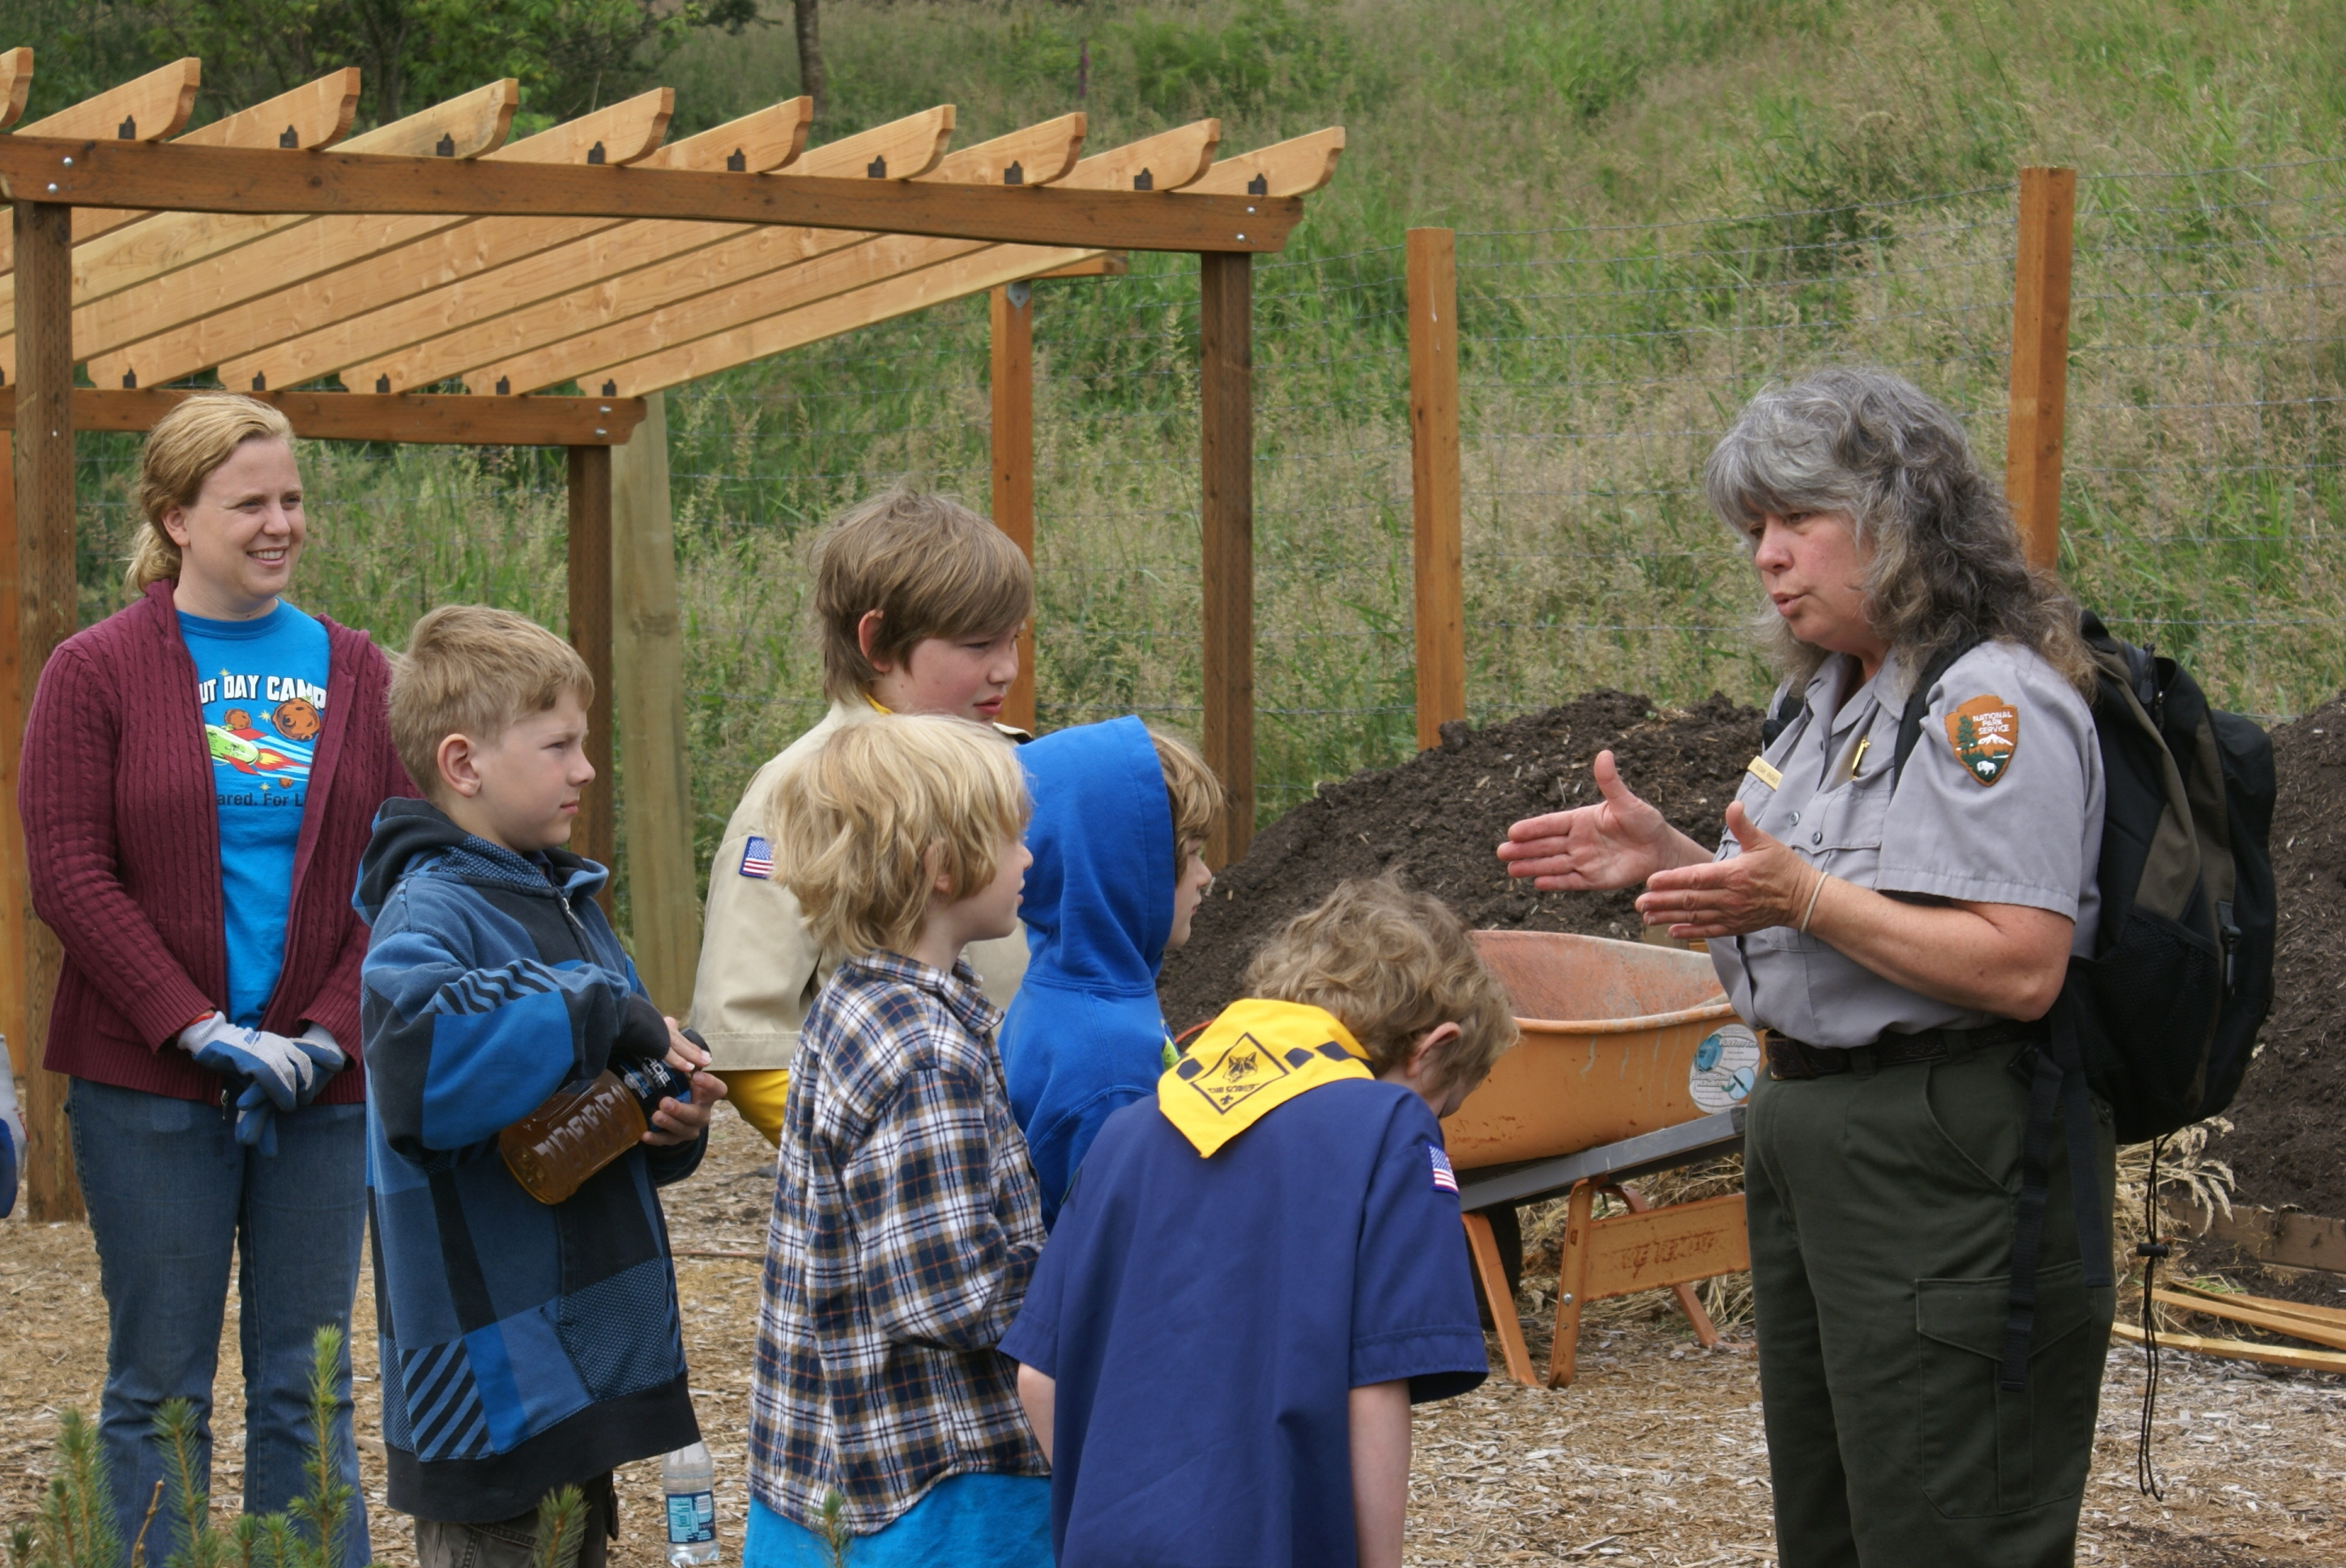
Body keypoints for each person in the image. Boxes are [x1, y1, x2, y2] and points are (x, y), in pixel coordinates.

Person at [1498, 367, 2111, 1568]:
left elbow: (2021, 966)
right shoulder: (1826, 699)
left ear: (1898, 518)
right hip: (1810, 1126)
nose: (1769, 558)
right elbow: (1797, 898)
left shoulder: (1990, 703)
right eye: (1754, 531)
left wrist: (1807, 897)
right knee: (1835, 1516)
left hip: (1942, 1145)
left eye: (1795, 522)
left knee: (1944, 1518)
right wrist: (1671, 857)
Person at [19, 394, 412, 1565]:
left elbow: (397, 874)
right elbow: (70, 876)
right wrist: (193, 1026)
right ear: (175, 517)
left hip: (321, 1088)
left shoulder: (360, 671)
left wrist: (331, 1035)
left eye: (291, 499)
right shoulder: (94, 673)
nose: (280, 522)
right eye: (250, 504)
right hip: (147, 1089)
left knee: (310, 1385)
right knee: (160, 1387)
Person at [1001, 877, 1515, 1568]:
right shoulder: (1391, 1130)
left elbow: (1040, 1377)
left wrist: (1119, 1510)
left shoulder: (1131, 1129)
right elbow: (1373, 1393)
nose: (1435, 1121)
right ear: (1432, 1047)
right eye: (1445, 1104)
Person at [355, 605, 723, 1568]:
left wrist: (665, 1119)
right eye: (557, 744)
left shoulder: (563, 898)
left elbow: (588, 1090)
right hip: (494, 1385)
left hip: (573, 1369)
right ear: (464, 763)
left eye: (584, 742)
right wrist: (604, 1008)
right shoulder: (428, 905)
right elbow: (416, 1060)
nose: (585, 768)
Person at [746, 714, 1050, 1567]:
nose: (1028, 858)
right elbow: (944, 1297)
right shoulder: (923, 1053)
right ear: (942, 866)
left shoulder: (855, 1001)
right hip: (930, 1494)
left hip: (828, 1476)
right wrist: (1083, 1267)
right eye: (1011, 838)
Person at [690, 490, 1035, 1144]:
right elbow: (750, 1040)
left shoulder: (1012, 763)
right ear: (877, 642)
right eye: (978, 644)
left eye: (1014, 639)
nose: (1007, 669)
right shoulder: (800, 793)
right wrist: (889, 1143)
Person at [997, 717, 1223, 1226]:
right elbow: (1127, 1255)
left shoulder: (1069, 990)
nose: (1207, 877)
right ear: (1122, 872)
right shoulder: (1109, 1063)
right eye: (1190, 856)